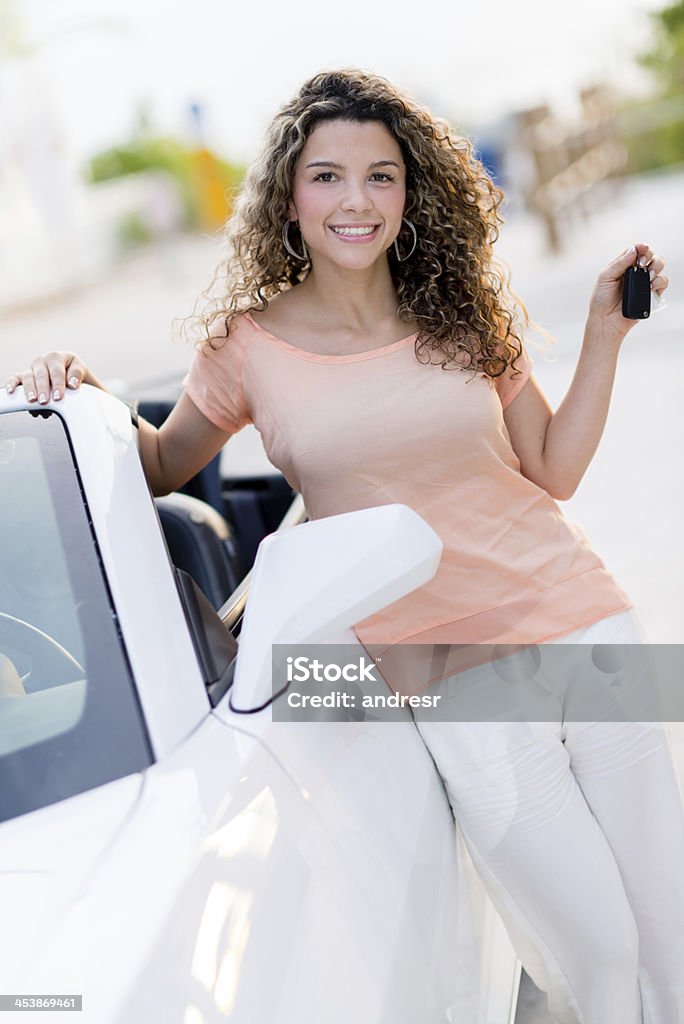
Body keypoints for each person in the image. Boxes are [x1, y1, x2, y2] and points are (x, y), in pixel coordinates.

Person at [6, 69, 683, 1022]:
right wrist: (78, 385)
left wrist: (604, 339)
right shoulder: (246, 346)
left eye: (381, 175)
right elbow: (158, 467)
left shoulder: (464, 315)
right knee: (601, 953)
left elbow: (552, 469)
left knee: (669, 933)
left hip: (587, 625)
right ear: (290, 194)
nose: (356, 200)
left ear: (413, 194)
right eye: (327, 176)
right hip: (450, 676)